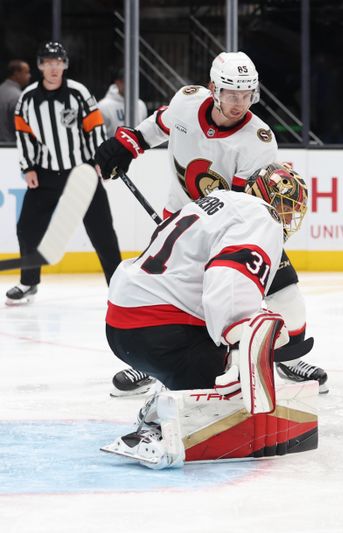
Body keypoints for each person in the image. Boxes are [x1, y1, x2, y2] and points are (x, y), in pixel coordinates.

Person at [94, 51, 326, 396]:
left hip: (229, 229)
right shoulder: (187, 102)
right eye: (232, 94)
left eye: (247, 95)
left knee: (285, 289)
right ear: (213, 89)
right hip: (181, 223)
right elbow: (162, 123)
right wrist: (129, 144)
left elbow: (243, 207)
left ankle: (285, 354)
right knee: (173, 293)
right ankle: (151, 362)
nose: (239, 103)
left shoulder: (258, 140)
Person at [103, 163, 312, 468]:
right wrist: (244, 334)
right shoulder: (262, 216)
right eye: (285, 205)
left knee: (220, 342)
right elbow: (229, 281)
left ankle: (164, 403)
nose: (287, 215)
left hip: (123, 323)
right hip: (157, 329)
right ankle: (160, 427)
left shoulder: (218, 203)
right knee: (226, 378)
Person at [7, 42, 121, 305]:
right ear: (40, 66)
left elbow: (95, 128)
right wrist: (28, 167)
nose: (53, 67)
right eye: (48, 62)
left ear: (65, 65)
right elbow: (24, 135)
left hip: (81, 173)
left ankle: (117, 285)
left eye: (58, 61)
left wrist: (98, 161)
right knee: (27, 228)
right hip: (45, 174)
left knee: (102, 230)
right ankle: (29, 282)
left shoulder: (79, 93)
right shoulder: (28, 98)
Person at [97, 68, 147, 134]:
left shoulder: (140, 104)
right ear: (117, 82)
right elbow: (99, 133)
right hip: (113, 143)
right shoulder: (103, 106)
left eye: (133, 81)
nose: (130, 85)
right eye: (126, 81)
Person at [0, 60, 31, 142]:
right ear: (16, 73)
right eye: (26, 72)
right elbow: (23, 131)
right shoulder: (18, 97)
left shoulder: (1, 89)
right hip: (11, 147)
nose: (29, 76)